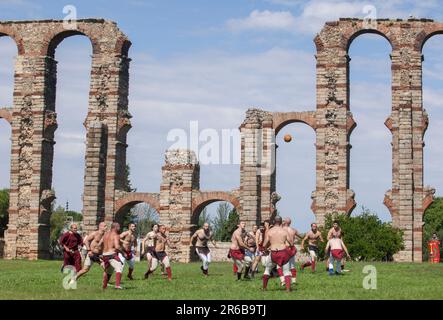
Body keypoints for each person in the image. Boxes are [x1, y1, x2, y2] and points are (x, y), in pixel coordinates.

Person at [262, 216, 294, 292]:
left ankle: (264, 288)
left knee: (267, 270)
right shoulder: (284, 231)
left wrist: (266, 249)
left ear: (274, 222)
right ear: (281, 222)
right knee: (286, 271)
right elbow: (291, 243)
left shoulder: (270, 231)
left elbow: (264, 245)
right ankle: (288, 288)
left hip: (273, 252)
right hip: (283, 252)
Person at [102, 222, 124, 289]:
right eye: (119, 226)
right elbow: (117, 247)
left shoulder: (105, 234)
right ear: (115, 227)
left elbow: (101, 243)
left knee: (109, 271)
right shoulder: (116, 235)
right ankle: (117, 285)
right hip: (112, 254)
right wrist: (123, 252)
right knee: (119, 267)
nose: (120, 228)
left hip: (104, 254)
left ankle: (104, 286)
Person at [282, 217, 302, 285]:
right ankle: (294, 280)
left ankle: (284, 280)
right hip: (292, 248)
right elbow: (301, 236)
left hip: (285, 248)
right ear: (290, 223)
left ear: (284, 222)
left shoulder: (281, 229)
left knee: (284, 265)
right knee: (292, 265)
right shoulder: (293, 230)